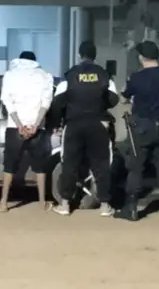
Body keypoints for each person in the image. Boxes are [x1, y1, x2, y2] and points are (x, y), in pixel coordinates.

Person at [51, 41, 119, 217]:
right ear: (95, 56)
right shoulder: (104, 75)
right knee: (101, 164)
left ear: (79, 55)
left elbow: (57, 102)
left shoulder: (70, 75)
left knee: (69, 163)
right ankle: (105, 205)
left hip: (74, 124)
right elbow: (114, 99)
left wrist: (56, 123)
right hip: (98, 124)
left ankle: (65, 204)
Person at [116, 40, 159, 222]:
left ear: (141, 57)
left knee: (136, 166)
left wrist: (125, 94)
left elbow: (124, 98)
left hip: (142, 126)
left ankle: (132, 209)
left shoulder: (137, 77)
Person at [0, 51, 54, 212]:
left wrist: (20, 125)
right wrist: (35, 125)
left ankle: (3, 203)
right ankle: (42, 203)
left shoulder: (10, 75)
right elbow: (46, 103)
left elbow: (7, 102)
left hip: (14, 127)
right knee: (40, 167)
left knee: (9, 166)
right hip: (38, 128)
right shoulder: (45, 76)